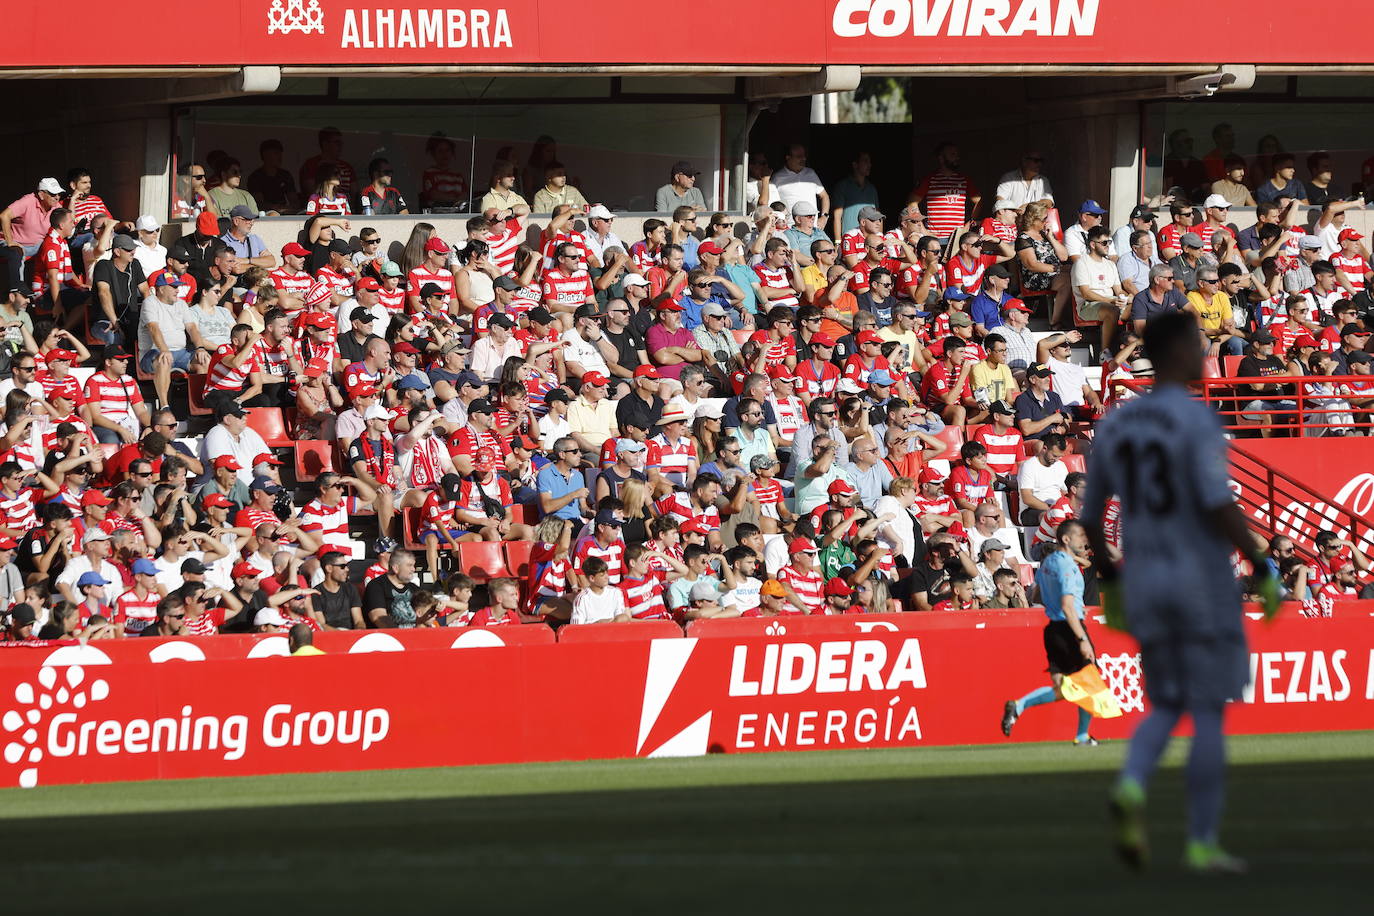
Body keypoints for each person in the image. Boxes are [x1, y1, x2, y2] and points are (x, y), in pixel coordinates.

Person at [1081, 309, 1281, 874]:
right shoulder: (1197, 421)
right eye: (1197, 343)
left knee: (1167, 703)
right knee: (1209, 712)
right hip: (1200, 577)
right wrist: (1261, 565)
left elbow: (1092, 518)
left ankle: (1132, 785)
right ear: (1175, 351)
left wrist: (1113, 579)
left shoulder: (1117, 424)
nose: (1203, 352)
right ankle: (1201, 842)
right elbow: (1217, 503)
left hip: (1144, 576)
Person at [1000, 519, 1099, 746]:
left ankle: (1020, 705)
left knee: (1063, 687)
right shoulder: (1066, 566)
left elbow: (1036, 597)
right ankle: (1082, 736)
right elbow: (1067, 605)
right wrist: (1082, 638)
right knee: (1089, 683)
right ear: (1066, 539)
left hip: (1052, 629)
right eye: (1079, 536)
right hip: (1070, 627)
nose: (1084, 540)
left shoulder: (1048, 563)